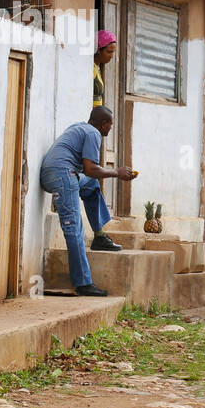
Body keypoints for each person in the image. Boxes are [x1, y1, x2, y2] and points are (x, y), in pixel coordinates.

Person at [39, 106, 134, 296]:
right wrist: (117, 172)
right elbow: (91, 168)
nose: (111, 128)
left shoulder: (80, 127)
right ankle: (83, 282)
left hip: (52, 174)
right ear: (103, 124)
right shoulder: (93, 133)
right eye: (110, 124)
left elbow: (89, 175)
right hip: (63, 175)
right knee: (74, 228)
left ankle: (99, 237)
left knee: (91, 185)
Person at [93, 30, 116, 108]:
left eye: (113, 52)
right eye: (109, 52)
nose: (112, 56)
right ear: (99, 50)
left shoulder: (97, 68)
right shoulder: (90, 69)